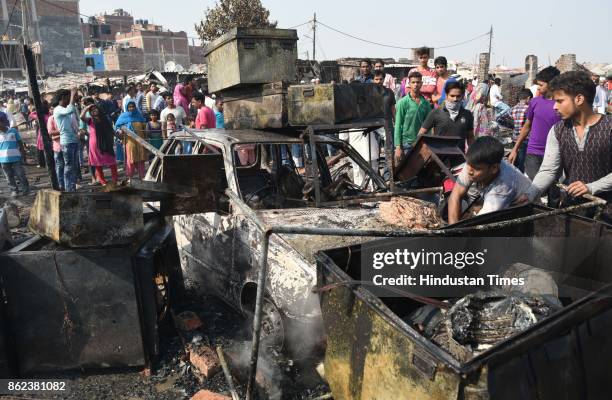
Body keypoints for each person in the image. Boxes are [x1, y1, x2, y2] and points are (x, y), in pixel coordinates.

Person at [524, 71, 611, 212]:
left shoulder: (609, 127)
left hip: (606, 212)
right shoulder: (558, 130)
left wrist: (592, 187)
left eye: (559, 101)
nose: (555, 107)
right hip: (573, 210)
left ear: (579, 99)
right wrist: (529, 195)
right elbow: (549, 170)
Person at [508, 66, 561, 206]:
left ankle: (552, 216)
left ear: (552, 84)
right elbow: (527, 127)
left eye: (541, 85)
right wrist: (515, 148)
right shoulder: (535, 102)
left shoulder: (561, 105)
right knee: (534, 186)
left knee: (554, 190)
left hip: (554, 153)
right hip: (533, 152)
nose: (538, 88)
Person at [447, 136, 531, 224]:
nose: (470, 171)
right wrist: (452, 229)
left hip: (525, 216)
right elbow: (455, 195)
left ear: (494, 168)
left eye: (477, 168)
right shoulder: (473, 163)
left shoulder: (502, 187)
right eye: (469, 165)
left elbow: (480, 223)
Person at [394, 72, 432, 163]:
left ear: (421, 84)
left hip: (421, 143)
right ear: (409, 84)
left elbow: (429, 125)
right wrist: (398, 146)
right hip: (406, 143)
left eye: (418, 82)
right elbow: (398, 124)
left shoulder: (426, 104)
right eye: (413, 82)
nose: (416, 85)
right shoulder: (403, 102)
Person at [80, 104, 118, 186]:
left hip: (107, 143)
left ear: (99, 109)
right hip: (95, 145)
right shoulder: (90, 120)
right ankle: (103, 182)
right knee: (98, 164)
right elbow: (81, 117)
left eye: (95, 109)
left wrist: (118, 137)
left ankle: (115, 180)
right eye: (91, 110)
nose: (94, 110)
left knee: (112, 162)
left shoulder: (105, 118)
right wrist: (86, 108)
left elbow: (111, 130)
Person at [53, 88, 80, 192]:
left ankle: (71, 187)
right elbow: (70, 109)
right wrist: (73, 95)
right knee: (69, 167)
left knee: (73, 167)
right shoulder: (58, 109)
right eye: (69, 97)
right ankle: (69, 188)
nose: (70, 99)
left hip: (73, 140)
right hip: (67, 142)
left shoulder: (65, 109)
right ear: (63, 97)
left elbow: (73, 112)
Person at [115, 100, 148, 179]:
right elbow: (117, 127)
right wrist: (120, 130)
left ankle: (142, 177)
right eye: (129, 107)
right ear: (127, 107)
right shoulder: (123, 116)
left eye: (133, 106)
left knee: (141, 158)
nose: (131, 108)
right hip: (130, 141)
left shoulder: (139, 116)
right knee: (131, 159)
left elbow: (145, 127)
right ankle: (130, 177)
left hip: (140, 140)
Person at [0, 111, 29, 197]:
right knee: (9, 176)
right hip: (3, 159)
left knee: (20, 174)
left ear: (2, 122)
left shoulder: (13, 131)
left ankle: (25, 189)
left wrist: (23, 154)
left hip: (16, 157)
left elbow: (20, 143)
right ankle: (14, 190)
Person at [509, 89, 534, 172]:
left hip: (515, 138)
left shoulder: (513, 108)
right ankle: (520, 178)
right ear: (528, 98)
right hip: (525, 138)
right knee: (522, 161)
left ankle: (513, 176)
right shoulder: (529, 109)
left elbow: (499, 118)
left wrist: (511, 125)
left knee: (515, 159)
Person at [47, 105, 64, 191]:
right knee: (60, 166)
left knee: (69, 166)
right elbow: (50, 133)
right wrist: (63, 131)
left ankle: (68, 184)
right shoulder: (51, 118)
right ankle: (61, 185)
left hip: (68, 144)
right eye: (52, 108)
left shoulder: (65, 116)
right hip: (58, 147)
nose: (53, 110)